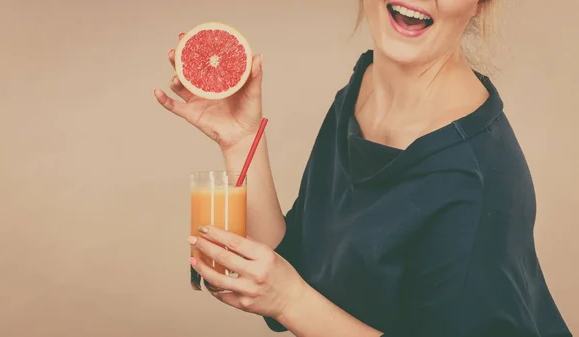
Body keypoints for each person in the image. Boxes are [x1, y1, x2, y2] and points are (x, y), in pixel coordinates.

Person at [153, 0, 572, 336]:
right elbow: (300, 270)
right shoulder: (362, 88)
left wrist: (289, 300)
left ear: (480, 4)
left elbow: (296, 298)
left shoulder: (476, 179)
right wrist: (242, 140)